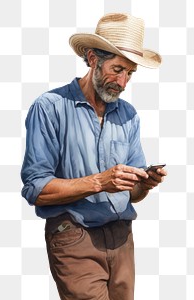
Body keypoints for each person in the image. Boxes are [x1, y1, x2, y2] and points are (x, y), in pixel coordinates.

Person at [21, 12, 167, 300]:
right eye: (117, 69)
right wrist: (100, 181)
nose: (123, 82)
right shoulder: (50, 107)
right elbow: (35, 189)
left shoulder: (128, 114)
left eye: (130, 74)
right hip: (75, 235)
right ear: (91, 58)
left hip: (122, 237)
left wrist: (143, 183)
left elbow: (132, 194)